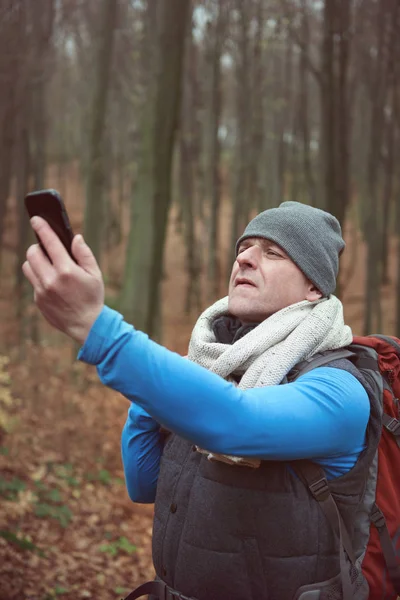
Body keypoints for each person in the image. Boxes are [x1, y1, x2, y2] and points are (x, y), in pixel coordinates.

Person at [23, 201, 379, 600]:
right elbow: (144, 483)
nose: (243, 258)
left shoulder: (339, 390)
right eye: (244, 247)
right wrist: (158, 394)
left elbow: (237, 423)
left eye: (273, 252)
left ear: (314, 286)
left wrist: (98, 329)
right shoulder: (216, 362)